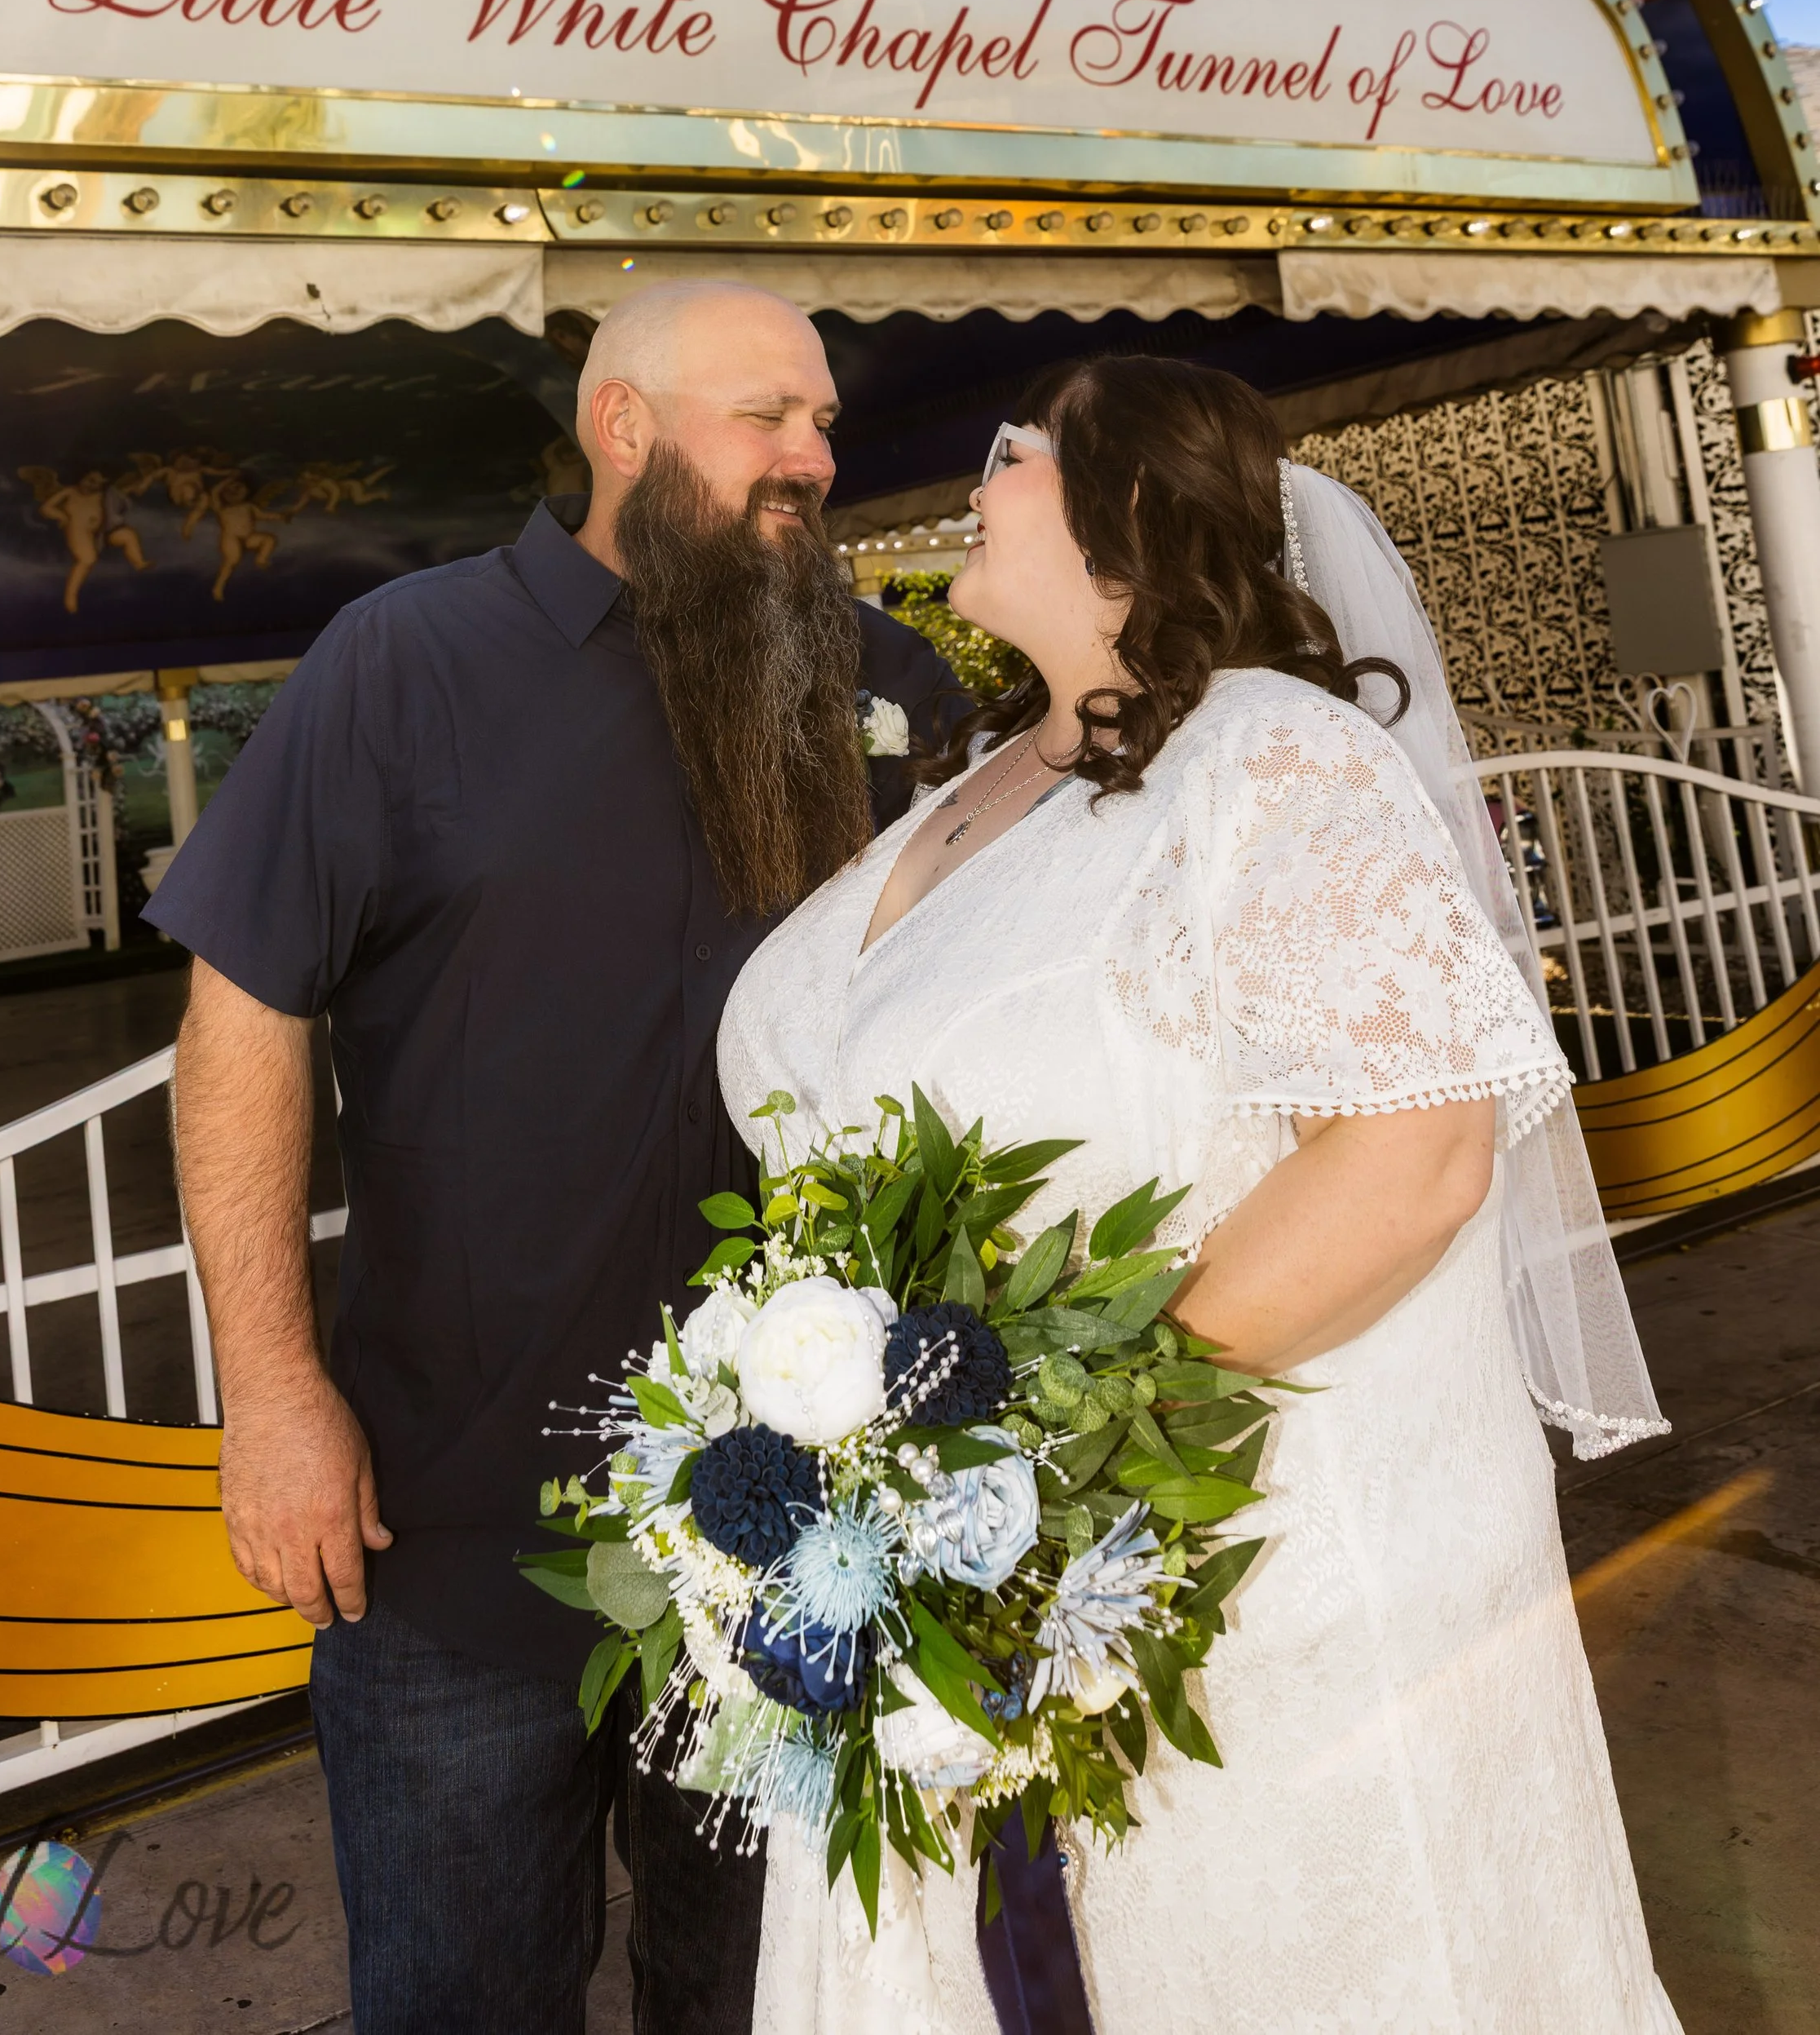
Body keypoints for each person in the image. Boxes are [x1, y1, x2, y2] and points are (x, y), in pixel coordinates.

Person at [718, 352, 1681, 2035]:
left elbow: (1412, 1151)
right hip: (939, 1570)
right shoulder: (984, 780)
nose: (974, 470)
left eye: (1014, 451)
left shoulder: (1275, 760)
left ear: (1132, 507)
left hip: (1232, 1608)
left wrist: (1028, 1470)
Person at [152, 282, 969, 2035]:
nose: (812, 459)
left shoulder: (878, 688)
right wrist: (272, 1387)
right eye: (766, 418)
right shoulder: (405, 666)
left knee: (766, 2004)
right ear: (623, 426)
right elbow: (241, 1023)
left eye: (820, 421)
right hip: (451, 1532)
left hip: (789, 1542)